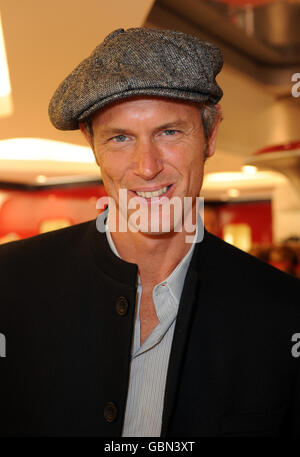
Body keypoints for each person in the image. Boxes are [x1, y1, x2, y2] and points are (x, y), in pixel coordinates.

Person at [0, 27, 299, 437]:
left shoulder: (282, 310)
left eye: (169, 132)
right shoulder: (10, 283)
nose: (146, 167)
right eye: (120, 138)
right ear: (93, 145)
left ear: (210, 135)